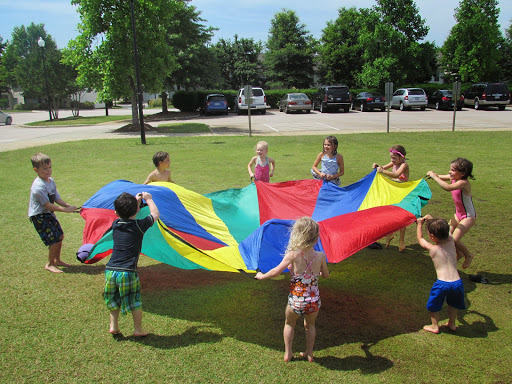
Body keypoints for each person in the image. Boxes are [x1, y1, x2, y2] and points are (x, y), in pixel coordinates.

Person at [255, 217, 329, 362]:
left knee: (289, 323)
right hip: (313, 301)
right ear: (315, 237)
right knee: (310, 326)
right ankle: (309, 353)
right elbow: (325, 275)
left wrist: (262, 276)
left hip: (296, 301)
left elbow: (276, 272)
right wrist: (316, 274)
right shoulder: (320, 256)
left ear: (297, 235)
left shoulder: (293, 255)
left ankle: (288, 353)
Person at [104, 192, 159, 337]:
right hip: (127, 271)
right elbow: (155, 214)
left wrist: (136, 201)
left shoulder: (115, 224)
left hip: (110, 270)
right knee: (135, 300)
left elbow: (129, 211)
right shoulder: (139, 226)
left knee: (113, 299)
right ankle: (137, 329)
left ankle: (113, 326)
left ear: (116, 213)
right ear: (138, 210)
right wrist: (148, 199)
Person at [28, 153, 77, 273]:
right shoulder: (38, 187)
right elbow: (47, 205)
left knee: (60, 236)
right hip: (39, 216)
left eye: (50, 167)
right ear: (36, 170)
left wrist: (67, 205)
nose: (48, 170)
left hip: (48, 214)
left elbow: (56, 198)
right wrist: (65, 210)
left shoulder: (51, 182)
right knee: (54, 239)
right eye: (45, 168)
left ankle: (57, 260)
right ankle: (50, 264)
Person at [416, 215, 465, 334]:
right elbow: (444, 230)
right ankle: (452, 324)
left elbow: (421, 240)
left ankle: (434, 326)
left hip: (442, 284)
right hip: (457, 282)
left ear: (432, 236)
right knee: (453, 304)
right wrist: (433, 220)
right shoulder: (451, 240)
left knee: (434, 305)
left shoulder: (433, 249)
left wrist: (419, 224)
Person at [427, 158, 476, 269]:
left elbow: (447, 187)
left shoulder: (463, 183)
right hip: (458, 214)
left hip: (468, 216)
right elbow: (441, 177)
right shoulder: (454, 178)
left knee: (454, 239)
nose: (450, 172)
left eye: (453, 170)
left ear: (463, 173)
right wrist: (433, 175)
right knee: (445, 235)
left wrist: (434, 177)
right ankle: (459, 254)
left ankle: (468, 255)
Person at [372, 145, 410, 251]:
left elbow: (395, 174)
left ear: (402, 158)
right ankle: (389, 235)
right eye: (391, 158)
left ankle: (401, 241)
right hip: (394, 191)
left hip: (402, 192)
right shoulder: (394, 162)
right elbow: (383, 167)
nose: (392, 160)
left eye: (394, 158)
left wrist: (382, 171)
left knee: (402, 216)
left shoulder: (404, 165)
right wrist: (377, 166)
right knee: (388, 212)